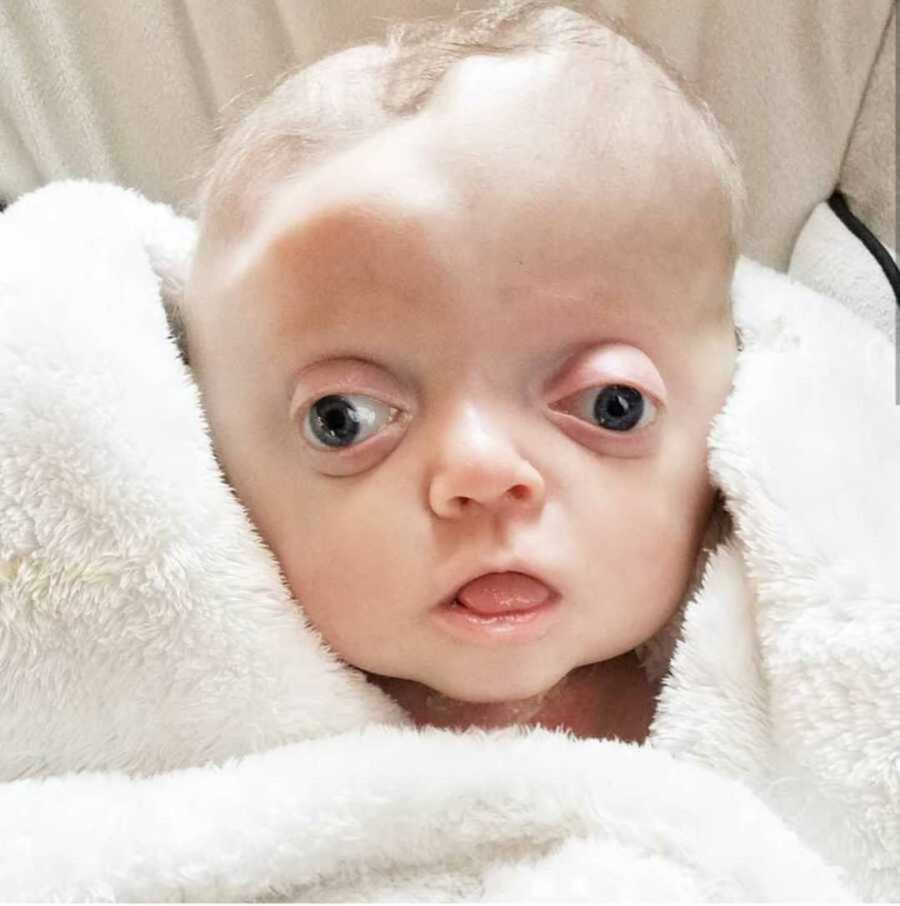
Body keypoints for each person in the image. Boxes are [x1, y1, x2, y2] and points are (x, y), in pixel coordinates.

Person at [180, 0, 742, 744]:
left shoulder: (767, 702)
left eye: (612, 405)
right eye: (343, 419)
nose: (480, 473)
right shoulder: (192, 727)